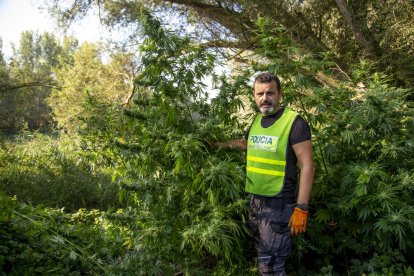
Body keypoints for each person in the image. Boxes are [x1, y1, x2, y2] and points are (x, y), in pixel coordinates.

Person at [214, 72, 314, 275]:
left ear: (280, 94)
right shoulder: (258, 120)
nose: (264, 98)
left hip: (279, 204)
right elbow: (246, 144)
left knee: (272, 267)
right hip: (256, 202)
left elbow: (308, 166)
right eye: (260, 93)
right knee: (264, 260)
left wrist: (301, 208)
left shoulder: (294, 122)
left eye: (270, 93)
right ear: (253, 96)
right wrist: (217, 145)